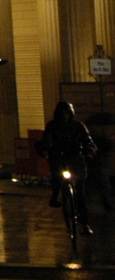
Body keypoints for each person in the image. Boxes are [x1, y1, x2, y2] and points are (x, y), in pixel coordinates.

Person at [37, 99, 97, 233]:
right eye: (62, 113)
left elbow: (88, 142)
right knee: (57, 177)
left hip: (76, 159)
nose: (64, 115)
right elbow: (46, 140)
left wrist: (89, 152)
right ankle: (55, 196)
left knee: (80, 193)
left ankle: (85, 224)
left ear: (70, 114)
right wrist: (43, 150)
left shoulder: (78, 126)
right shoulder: (52, 126)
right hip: (59, 157)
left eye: (67, 113)